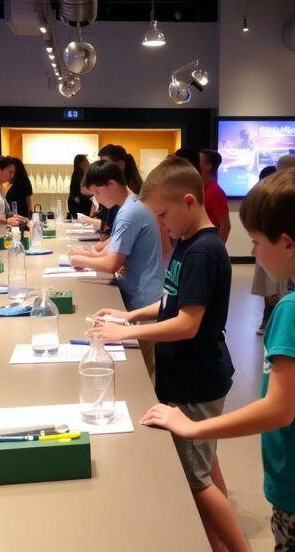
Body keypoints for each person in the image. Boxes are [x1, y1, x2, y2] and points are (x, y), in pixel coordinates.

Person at [142, 167, 295, 552]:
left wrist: (191, 427)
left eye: (255, 242)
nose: (252, 252)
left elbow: (278, 410)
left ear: (287, 243)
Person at [90, 157, 243, 552]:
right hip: (190, 375)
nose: (160, 224)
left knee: (196, 479)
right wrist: (130, 315)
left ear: (189, 202)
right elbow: (171, 302)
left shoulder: (203, 251)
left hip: (197, 380)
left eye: (162, 214)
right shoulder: (186, 242)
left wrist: (128, 331)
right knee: (205, 462)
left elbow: (187, 323)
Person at [69, 159, 163, 312]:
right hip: (140, 292)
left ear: (111, 184)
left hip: (141, 300)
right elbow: (110, 251)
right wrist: (87, 254)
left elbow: (111, 264)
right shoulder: (132, 205)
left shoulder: (129, 213)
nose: (96, 199)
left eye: (97, 192)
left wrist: (78, 260)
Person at [250, 165, 285, 335]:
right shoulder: (259, 200)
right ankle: (267, 318)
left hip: (277, 248)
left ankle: (274, 319)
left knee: (278, 285)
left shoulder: (283, 201)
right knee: (267, 285)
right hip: (264, 247)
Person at [198, 149, 231, 243]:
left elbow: (225, 226)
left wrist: (217, 248)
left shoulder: (215, 192)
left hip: (207, 244)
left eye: (198, 161)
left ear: (208, 167)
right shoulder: (200, 189)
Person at [67, 154, 93, 219]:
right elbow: (73, 187)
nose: (86, 164)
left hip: (89, 200)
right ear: (79, 165)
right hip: (79, 202)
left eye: (86, 161)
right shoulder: (76, 174)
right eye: (83, 163)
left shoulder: (92, 171)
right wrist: (75, 196)